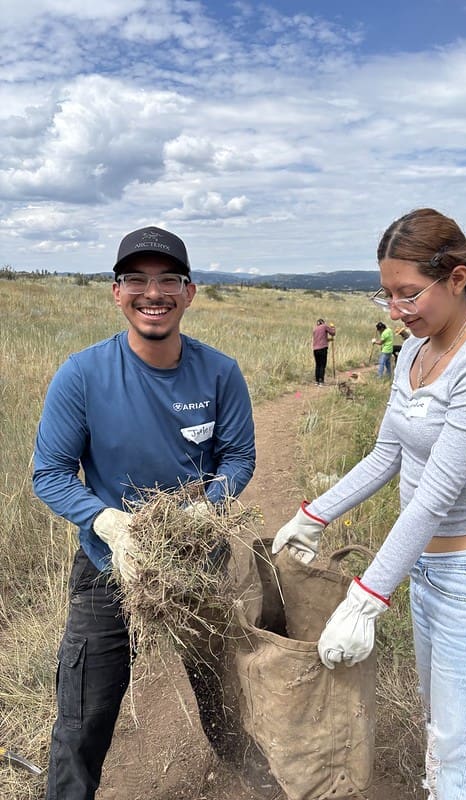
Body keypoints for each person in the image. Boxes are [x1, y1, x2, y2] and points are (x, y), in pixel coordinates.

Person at [272, 208, 466, 800]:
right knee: (443, 747)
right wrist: (313, 515)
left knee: (465, 775)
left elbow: (437, 494)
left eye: (409, 293)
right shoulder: (415, 352)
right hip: (428, 574)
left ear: (457, 279)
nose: (396, 310)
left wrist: (366, 599)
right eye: (386, 294)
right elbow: (385, 456)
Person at [33, 226, 256, 800]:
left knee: (224, 691)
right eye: (136, 279)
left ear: (189, 292)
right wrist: (109, 524)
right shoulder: (83, 375)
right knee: (83, 717)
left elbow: (238, 457)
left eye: (168, 280)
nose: (152, 293)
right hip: (110, 568)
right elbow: (50, 473)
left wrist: (207, 510)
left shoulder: (219, 373)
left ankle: (245, 777)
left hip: (198, 565)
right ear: (117, 292)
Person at [312, 318, 336, 385]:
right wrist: (332, 327)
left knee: (318, 365)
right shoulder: (324, 326)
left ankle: (317, 381)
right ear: (323, 322)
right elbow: (333, 333)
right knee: (322, 365)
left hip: (315, 349)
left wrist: (329, 340)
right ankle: (321, 381)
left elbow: (320, 339)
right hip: (322, 349)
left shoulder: (315, 329)